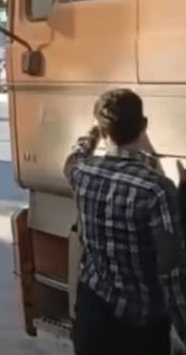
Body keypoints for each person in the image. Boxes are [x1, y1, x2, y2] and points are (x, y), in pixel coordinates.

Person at [65, 89, 186, 355]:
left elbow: (75, 155)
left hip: (93, 320)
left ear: (103, 129)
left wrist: (93, 133)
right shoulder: (156, 189)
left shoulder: (82, 173)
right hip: (141, 331)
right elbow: (172, 271)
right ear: (143, 126)